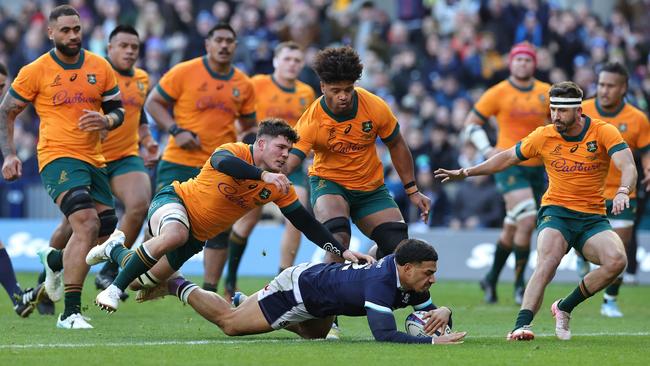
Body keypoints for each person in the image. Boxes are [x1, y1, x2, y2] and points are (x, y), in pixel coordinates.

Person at [90, 119, 373, 312]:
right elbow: (222, 163)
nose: (286, 155)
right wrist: (263, 175)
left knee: (143, 281)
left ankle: (115, 249)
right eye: (281, 147)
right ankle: (113, 289)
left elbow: (306, 223)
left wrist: (343, 251)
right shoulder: (235, 150)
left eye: (290, 150)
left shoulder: (279, 186)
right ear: (261, 144)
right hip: (174, 201)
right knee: (175, 234)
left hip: (197, 237)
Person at [435, 81, 636, 341]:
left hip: (592, 217)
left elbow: (627, 165)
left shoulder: (603, 132)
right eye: (552, 109)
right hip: (557, 212)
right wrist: (466, 172)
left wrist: (622, 190)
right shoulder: (543, 135)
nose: (555, 116)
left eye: (561, 111)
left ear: (578, 111)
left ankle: (565, 306)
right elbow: (506, 157)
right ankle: (520, 325)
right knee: (548, 262)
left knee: (617, 261)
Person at [284, 46, 430, 339]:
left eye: (348, 89)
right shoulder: (312, 119)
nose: (343, 96)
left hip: (370, 187)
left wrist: (412, 189)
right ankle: (329, 314)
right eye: (335, 90)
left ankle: (381, 274)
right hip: (329, 183)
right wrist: (272, 177)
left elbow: (397, 145)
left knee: (398, 248)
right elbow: (293, 158)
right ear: (322, 86)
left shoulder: (374, 107)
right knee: (337, 240)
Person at [0, 5, 125, 329]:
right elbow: (7, 111)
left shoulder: (101, 67)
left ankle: (54, 259)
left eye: (77, 29)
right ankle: (69, 312)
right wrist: (10, 154)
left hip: (94, 159)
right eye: (66, 30)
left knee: (104, 229)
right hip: (57, 157)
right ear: (50, 33)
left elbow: (117, 110)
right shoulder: (36, 70)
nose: (73, 35)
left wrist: (107, 119)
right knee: (85, 222)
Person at [159, 239, 466, 344]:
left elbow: (428, 307)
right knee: (230, 324)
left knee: (316, 337)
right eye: (428, 273)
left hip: (324, 300)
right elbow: (384, 335)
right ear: (407, 268)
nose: (433, 279)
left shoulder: (408, 279)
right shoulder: (381, 283)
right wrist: (431, 343)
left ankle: (248, 301)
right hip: (298, 289)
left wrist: (444, 311)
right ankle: (176, 283)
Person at [144, 22, 256, 295]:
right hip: (178, 159)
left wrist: (247, 150)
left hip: (220, 166)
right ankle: (145, 275)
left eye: (229, 40)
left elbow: (251, 125)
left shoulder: (243, 83)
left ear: (235, 46)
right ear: (208, 44)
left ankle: (209, 289)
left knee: (219, 229)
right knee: (162, 218)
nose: (224, 45)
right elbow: (153, 102)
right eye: (218, 40)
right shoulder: (184, 71)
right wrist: (175, 130)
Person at [45, 25, 157, 296]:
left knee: (139, 205)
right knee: (72, 226)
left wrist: (148, 141)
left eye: (134, 47)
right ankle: (47, 273)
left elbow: (138, 114)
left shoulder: (142, 79)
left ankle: (109, 271)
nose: (130, 52)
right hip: (91, 158)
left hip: (125, 157)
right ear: (109, 48)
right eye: (123, 46)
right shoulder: (94, 73)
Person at [223, 41, 316, 297]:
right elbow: (240, 115)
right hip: (259, 161)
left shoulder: (306, 92)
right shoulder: (257, 85)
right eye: (287, 59)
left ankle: (282, 280)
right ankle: (230, 281)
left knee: (296, 214)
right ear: (275, 61)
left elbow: (307, 130)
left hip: (291, 162)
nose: (292, 64)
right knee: (248, 219)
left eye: (297, 60)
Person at [462, 42, 550, 304]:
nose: (523, 63)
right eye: (518, 59)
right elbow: (471, 123)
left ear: (534, 63)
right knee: (527, 219)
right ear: (510, 63)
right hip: (508, 166)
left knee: (512, 228)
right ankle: (521, 285)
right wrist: (487, 149)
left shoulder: (546, 92)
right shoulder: (497, 92)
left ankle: (490, 278)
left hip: (538, 168)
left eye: (527, 60)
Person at [581, 62, 650, 317]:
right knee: (583, 243)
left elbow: (646, 152)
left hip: (623, 193)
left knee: (619, 250)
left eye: (610, 86)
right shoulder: (583, 111)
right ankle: (582, 260)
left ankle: (610, 299)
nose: (604, 90)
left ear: (623, 88)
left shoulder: (637, 118)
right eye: (601, 84)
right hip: (587, 193)